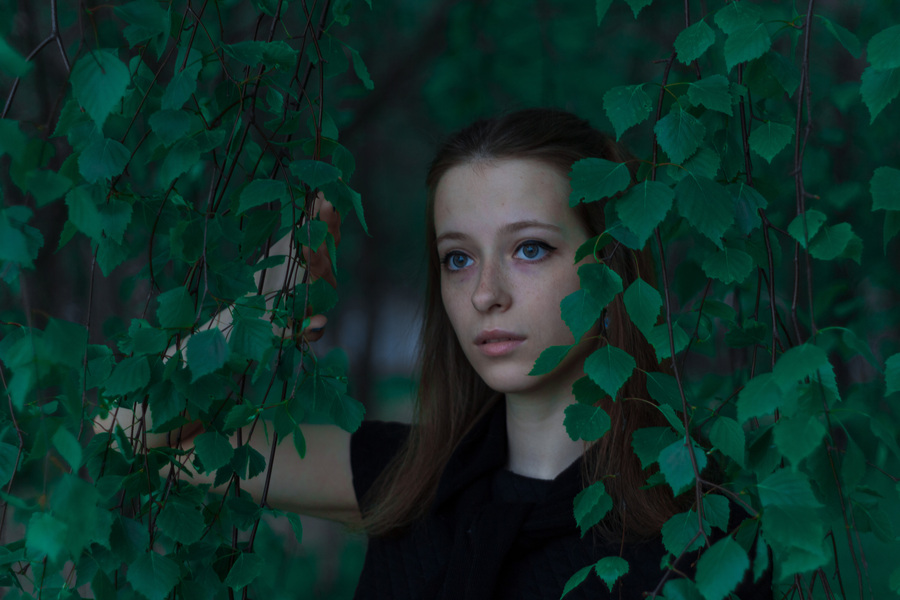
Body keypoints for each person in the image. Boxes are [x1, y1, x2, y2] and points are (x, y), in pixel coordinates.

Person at [102, 108, 770, 599]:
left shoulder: (703, 535)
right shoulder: (412, 480)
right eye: (458, 258)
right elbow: (127, 436)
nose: (485, 293)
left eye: (530, 248)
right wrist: (256, 308)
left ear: (611, 266)